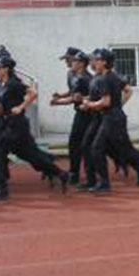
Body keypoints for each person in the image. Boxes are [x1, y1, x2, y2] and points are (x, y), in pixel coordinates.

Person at [0, 54, 69, 201]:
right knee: (29, 154)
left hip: (16, 125)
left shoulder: (14, 84)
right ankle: (60, 173)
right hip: (4, 123)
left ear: (6, 69)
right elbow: (1, 107)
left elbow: (33, 93)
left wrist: (21, 107)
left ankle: (0, 188)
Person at [80, 48, 139, 193]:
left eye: (97, 60)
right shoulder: (108, 76)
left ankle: (105, 184)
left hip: (112, 118)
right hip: (113, 117)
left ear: (104, 62)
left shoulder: (107, 78)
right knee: (124, 150)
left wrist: (90, 105)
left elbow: (106, 102)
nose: (94, 62)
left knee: (97, 148)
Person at [49, 48, 92, 184]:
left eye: (70, 59)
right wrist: (61, 95)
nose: (68, 62)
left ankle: (91, 176)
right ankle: (75, 173)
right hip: (80, 113)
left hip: (89, 115)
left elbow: (85, 96)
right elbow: (73, 93)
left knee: (88, 146)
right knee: (74, 144)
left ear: (80, 62)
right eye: (68, 60)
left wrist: (58, 102)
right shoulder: (71, 74)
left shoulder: (87, 78)